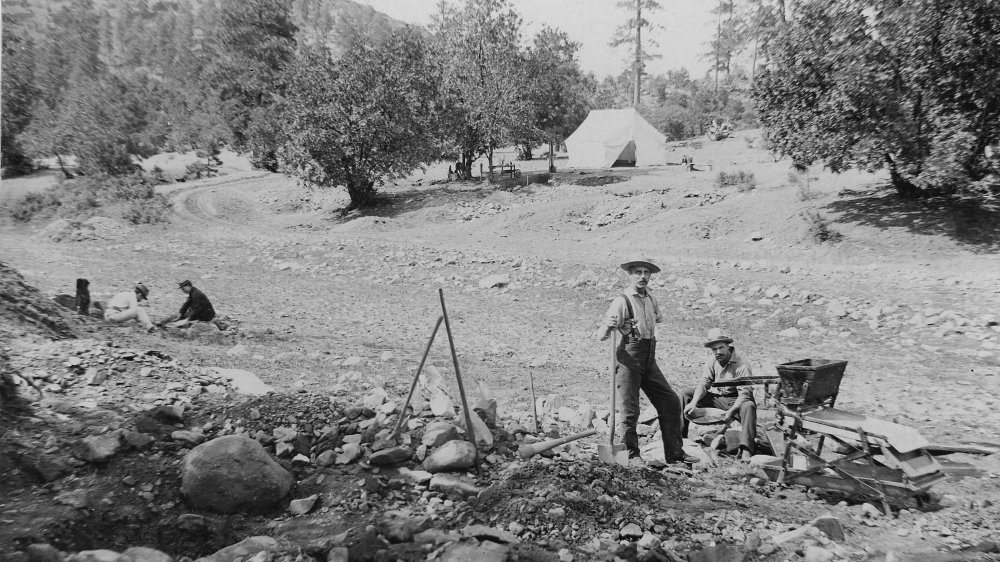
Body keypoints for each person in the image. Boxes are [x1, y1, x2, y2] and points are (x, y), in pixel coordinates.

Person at [596, 255, 696, 466]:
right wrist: (610, 325)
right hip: (628, 358)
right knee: (629, 410)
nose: (642, 277)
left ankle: (675, 453)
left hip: (649, 355)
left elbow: (658, 318)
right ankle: (631, 455)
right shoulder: (621, 301)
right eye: (638, 273)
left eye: (646, 273)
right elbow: (601, 335)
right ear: (630, 275)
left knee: (669, 401)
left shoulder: (651, 299)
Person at [681, 329, 758, 462]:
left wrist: (731, 412)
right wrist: (693, 402)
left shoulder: (741, 364)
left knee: (749, 406)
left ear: (728, 346)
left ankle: (746, 450)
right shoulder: (712, 360)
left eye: (721, 347)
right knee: (686, 392)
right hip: (720, 399)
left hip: (738, 400)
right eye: (714, 349)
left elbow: (745, 393)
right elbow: (704, 383)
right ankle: (680, 439)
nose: (718, 352)